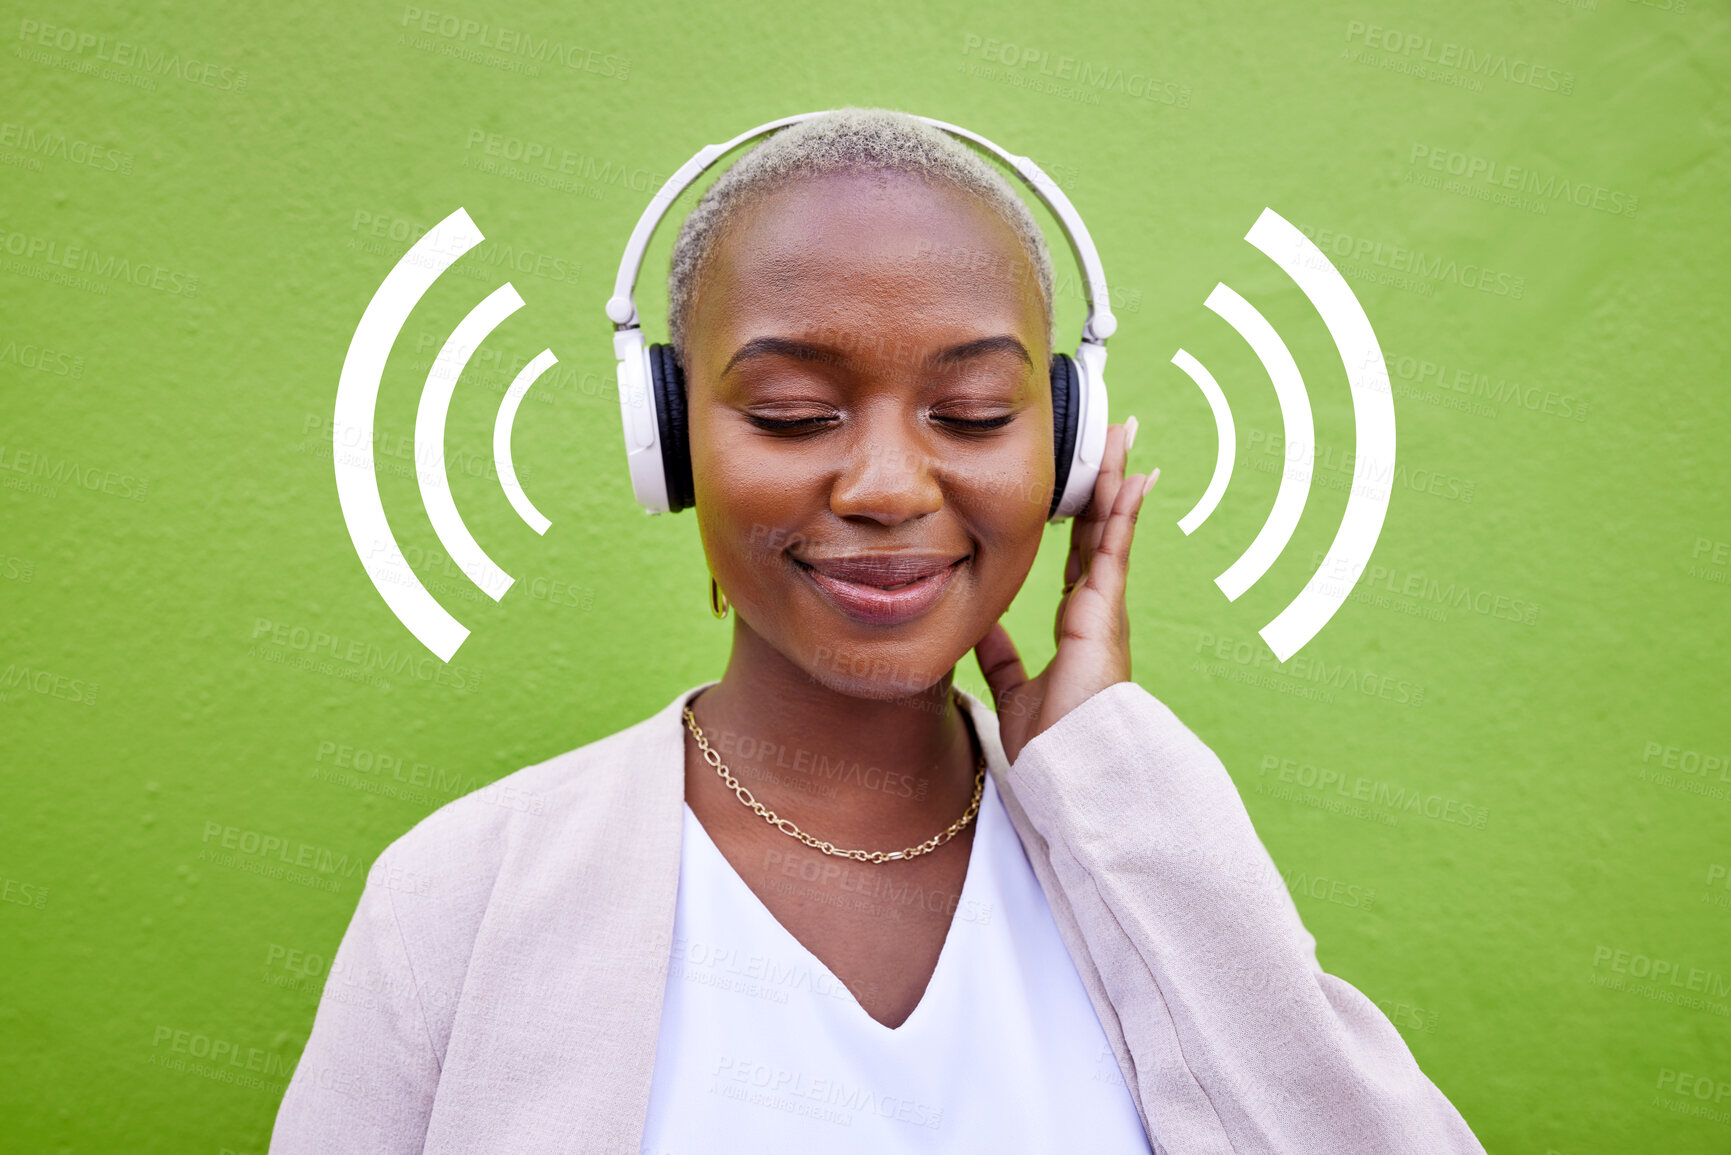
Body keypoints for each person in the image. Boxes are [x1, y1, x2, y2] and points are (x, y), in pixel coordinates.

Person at [271, 108, 1485, 1153]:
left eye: (972, 411)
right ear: (670, 443)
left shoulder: (1135, 855)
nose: (891, 485)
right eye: (795, 414)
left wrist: (1114, 773)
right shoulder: (461, 897)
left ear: (1062, 446)